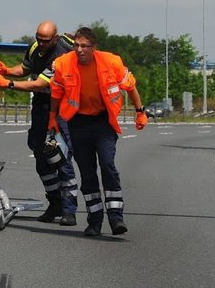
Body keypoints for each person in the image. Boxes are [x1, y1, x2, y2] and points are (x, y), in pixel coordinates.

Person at [49, 26, 147, 237]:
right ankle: (94, 221)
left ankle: (116, 217)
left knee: (107, 165)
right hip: (78, 124)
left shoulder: (111, 62)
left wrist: (140, 112)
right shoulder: (64, 64)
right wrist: (52, 119)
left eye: (84, 46)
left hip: (104, 123)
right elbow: (56, 92)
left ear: (94, 47)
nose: (79, 50)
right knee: (87, 173)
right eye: (76, 45)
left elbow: (130, 87)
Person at [0, 22, 78, 226]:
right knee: (39, 154)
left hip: (61, 108)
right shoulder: (35, 46)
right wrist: (7, 71)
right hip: (41, 105)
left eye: (46, 40)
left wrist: (7, 83)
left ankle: (69, 208)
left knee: (59, 156)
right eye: (38, 38)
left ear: (55, 38)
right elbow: (26, 69)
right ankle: (54, 202)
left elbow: (40, 83)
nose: (41, 43)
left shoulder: (61, 54)